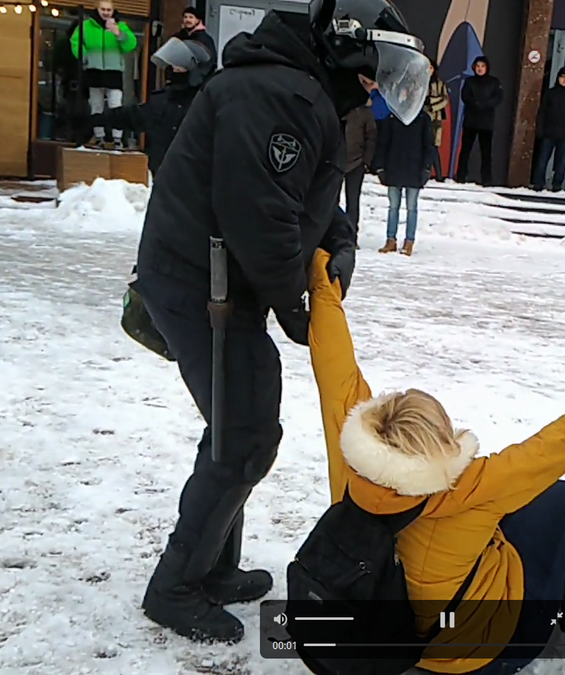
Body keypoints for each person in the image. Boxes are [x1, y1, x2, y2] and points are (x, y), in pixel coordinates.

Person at [132, 0, 432, 644]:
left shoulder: (305, 89)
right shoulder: (280, 93)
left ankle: (212, 567)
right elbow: (259, 215)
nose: (379, 87)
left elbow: (314, 196)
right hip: (198, 282)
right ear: (352, 49)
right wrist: (295, 307)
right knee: (244, 434)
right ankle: (175, 586)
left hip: (222, 284)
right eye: (380, 69)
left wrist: (342, 245)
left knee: (239, 428)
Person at [304, 247, 565, 673]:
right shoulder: (473, 485)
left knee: (503, 521)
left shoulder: (352, 459)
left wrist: (322, 288)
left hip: (385, 627)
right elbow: (563, 442)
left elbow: (335, 370)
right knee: (561, 500)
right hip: (472, 655)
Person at [97, 38, 214, 176]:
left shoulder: (205, 102)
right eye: (172, 67)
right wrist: (97, 119)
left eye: (179, 68)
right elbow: (136, 116)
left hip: (192, 180)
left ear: (194, 71)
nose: (173, 72)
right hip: (162, 176)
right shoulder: (165, 98)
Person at [71, 0, 138, 149]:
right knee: (96, 105)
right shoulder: (86, 26)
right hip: (94, 70)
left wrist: (118, 33)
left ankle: (117, 139)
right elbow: (75, 43)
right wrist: (85, 58)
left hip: (114, 71)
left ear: (113, 11)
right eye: (103, 9)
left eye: (109, 10)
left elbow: (131, 45)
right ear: (97, 9)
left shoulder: (120, 26)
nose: (106, 12)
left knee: (116, 105)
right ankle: (99, 137)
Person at [375, 107, 434, 255]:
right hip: (395, 166)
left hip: (414, 167)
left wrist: (426, 168)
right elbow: (384, 142)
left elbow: (428, 145)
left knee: (411, 207)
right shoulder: (393, 117)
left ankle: (409, 241)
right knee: (394, 207)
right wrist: (381, 166)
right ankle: (391, 240)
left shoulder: (422, 118)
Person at [532, 67, 565, 192]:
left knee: (561, 162)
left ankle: (557, 184)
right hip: (548, 133)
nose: (564, 80)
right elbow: (542, 112)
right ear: (558, 78)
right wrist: (540, 129)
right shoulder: (550, 93)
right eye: (562, 77)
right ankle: (538, 183)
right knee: (542, 160)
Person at [456, 55, 503, 185]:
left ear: (487, 68)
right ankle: (461, 175)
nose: (480, 69)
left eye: (482, 66)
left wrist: (485, 105)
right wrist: (476, 103)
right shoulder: (469, 81)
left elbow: (498, 98)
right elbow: (465, 96)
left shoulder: (494, 82)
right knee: (465, 150)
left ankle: (486, 179)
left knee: (486, 152)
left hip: (486, 122)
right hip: (471, 120)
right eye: (477, 66)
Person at [342, 97, 376, 232]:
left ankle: (351, 234)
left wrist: (366, 161)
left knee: (353, 201)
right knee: (331, 202)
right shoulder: (340, 110)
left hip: (356, 162)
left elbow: (371, 138)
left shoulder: (365, 113)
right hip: (337, 161)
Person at [425, 59, 448, 180]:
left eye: (431, 68)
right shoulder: (418, 82)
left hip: (435, 118)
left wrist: (431, 103)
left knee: (433, 146)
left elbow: (444, 99)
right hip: (420, 118)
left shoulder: (440, 84)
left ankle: (438, 174)